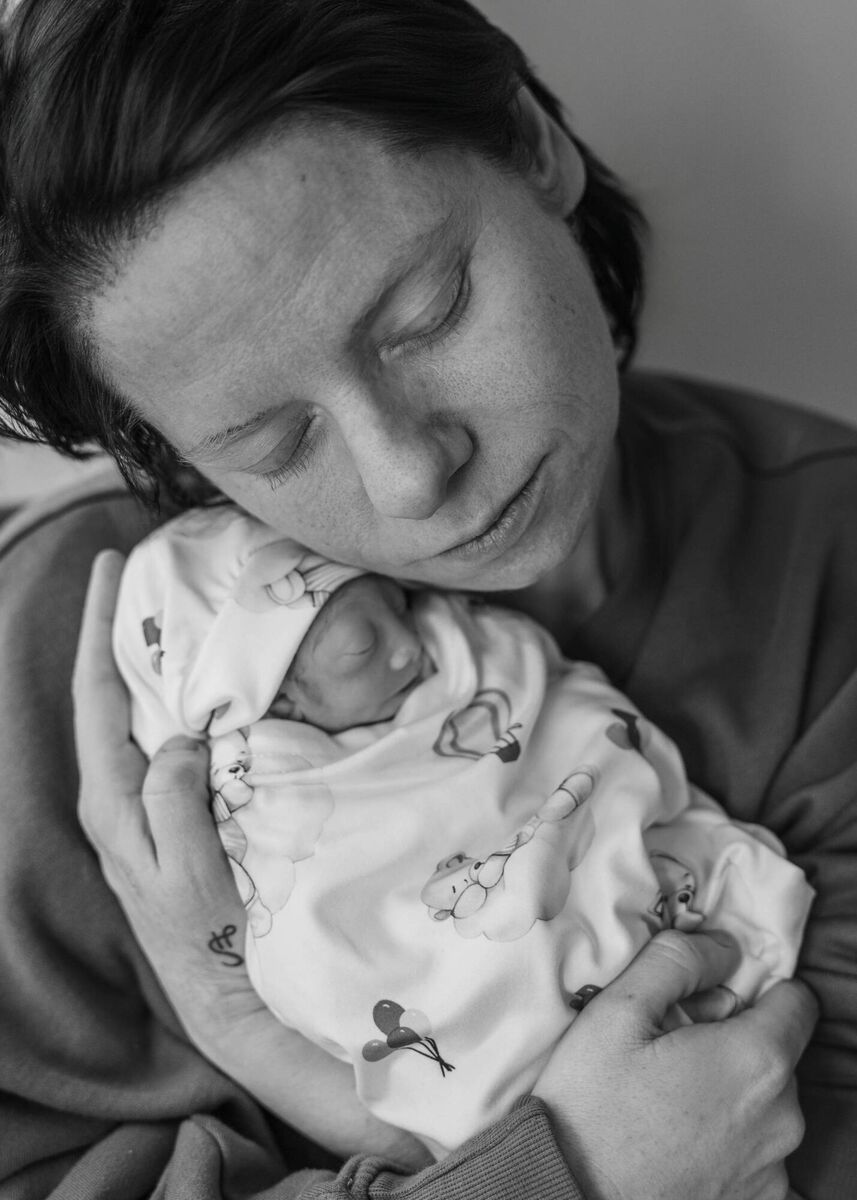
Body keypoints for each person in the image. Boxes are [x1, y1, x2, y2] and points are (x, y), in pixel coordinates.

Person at [0, 0, 846, 1196]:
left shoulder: (827, 581)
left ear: (528, 146)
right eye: (273, 441)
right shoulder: (43, 675)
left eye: (427, 316)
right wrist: (563, 1176)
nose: (410, 474)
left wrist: (245, 1027)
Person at [112, 501, 813, 1160]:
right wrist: (228, 1010)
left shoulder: (462, 650)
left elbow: (562, 715)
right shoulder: (263, 793)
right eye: (362, 648)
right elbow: (321, 935)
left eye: (397, 609)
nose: (406, 650)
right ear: (275, 696)